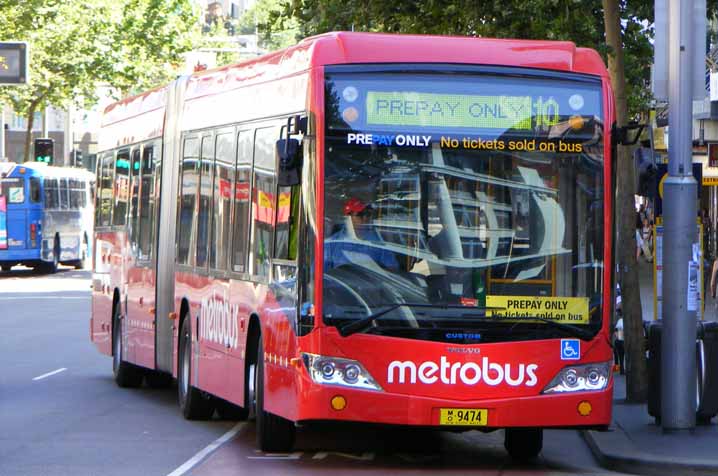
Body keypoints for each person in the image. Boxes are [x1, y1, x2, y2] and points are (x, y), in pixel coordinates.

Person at [324, 198, 399, 271]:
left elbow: (392, 267)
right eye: (360, 214)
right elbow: (319, 273)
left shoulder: (377, 241)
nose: (365, 218)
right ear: (348, 218)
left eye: (368, 214)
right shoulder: (333, 243)